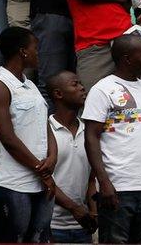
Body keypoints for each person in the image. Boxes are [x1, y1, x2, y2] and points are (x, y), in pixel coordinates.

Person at [82, 35, 141, 244]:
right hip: (118, 187)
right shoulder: (103, 89)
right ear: (127, 59)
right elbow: (91, 137)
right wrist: (103, 181)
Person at [0, 27, 55, 243]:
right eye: (35, 48)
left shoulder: (30, 85)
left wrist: (52, 157)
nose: (38, 53)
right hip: (14, 183)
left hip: (41, 179)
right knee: (13, 239)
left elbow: (46, 127)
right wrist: (42, 171)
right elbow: (8, 139)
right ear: (22, 51)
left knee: (39, 239)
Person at [46, 71, 97, 243]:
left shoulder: (88, 132)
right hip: (52, 226)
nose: (83, 88)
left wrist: (93, 211)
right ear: (58, 94)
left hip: (82, 226)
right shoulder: (46, 131)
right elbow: (42, 178)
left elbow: (91, 179)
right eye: (75, 84)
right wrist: (74, 208)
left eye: (81, 83)